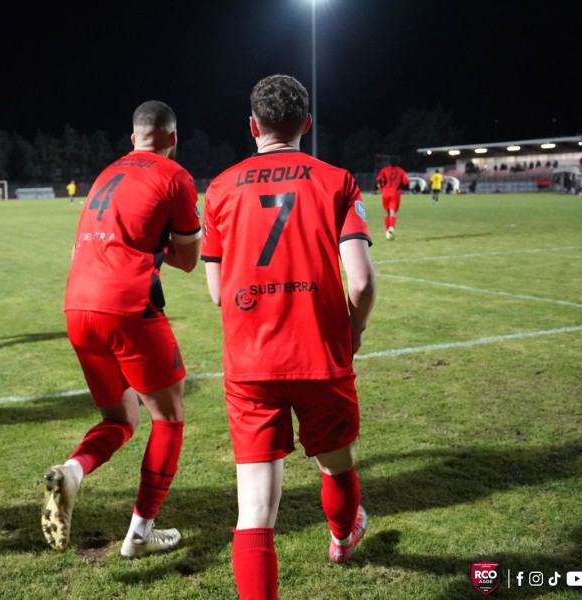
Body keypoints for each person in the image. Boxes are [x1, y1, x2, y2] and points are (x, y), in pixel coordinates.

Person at [200, 74, 376, 599]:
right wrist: (355, 328)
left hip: (251, 363)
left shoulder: (220, 186)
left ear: (252, 126)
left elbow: (215, 292)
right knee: (337, 464)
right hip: (320, 354)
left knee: (254, 509)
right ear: (307, 124)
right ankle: (343, 537)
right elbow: (362, 281)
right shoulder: (336, 179)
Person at [41, 100, 202, 558]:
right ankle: (140, 534)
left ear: (133, 139)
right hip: (127, 305)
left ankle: (71, 472)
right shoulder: (174, 175)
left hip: (77, 306)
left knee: (120, 419)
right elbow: (189, 260)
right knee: (168, 417)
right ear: (173, 137)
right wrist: (160, 249)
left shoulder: (106, 173)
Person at [376, 155, 408, 240]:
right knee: (393, 212)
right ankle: (391, 228)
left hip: (385, 192)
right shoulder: (401, 171)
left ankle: (387, 232)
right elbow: (406, 182)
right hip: (395, 192)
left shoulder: (384, 170)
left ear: (389, 162)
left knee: (386, 213)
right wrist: (400, 186)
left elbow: (379, 179)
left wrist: (381, 187)